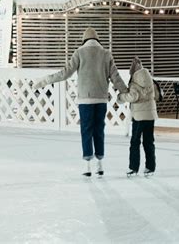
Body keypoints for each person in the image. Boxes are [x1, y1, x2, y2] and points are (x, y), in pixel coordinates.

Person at [33, 27, 128, 177]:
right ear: (97, 40)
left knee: (86, 130)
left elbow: (65, 73)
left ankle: (87, 165)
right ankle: (100, 164)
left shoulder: (79, 52)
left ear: (84, 40)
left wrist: (44, 81)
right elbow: (115, 77)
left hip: (85, 99)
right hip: (101, 99)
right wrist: (126, 92)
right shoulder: (106, 54)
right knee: (99, 130)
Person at [117, 57, 158, 177]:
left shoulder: (135, 82)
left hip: (139, 116)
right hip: (150, 115)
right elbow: (156, 93)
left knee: (135, 141)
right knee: (148, 141)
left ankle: (133, 168)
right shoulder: (149, 79)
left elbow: (132, 97)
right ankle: (150, 167)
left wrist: (121, 97)